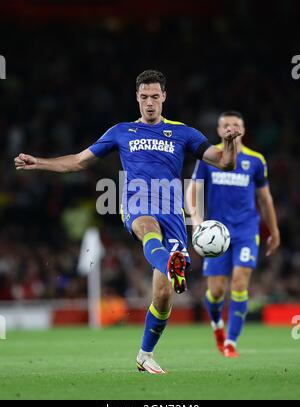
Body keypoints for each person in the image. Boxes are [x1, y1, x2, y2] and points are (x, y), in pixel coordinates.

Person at [14, 70, 240, 373]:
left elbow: (225, 161)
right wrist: (39, 162)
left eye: (155, 97)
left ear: (164, 97)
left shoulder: (184, 133)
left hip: (172, 211)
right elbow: (79, 161)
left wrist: (230, 143)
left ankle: (145, 354)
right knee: (148, 228)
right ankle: (172, 263)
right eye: (144, 97)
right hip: (136, 202)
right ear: (137, 97)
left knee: (162, 295)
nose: (149, 103)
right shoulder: (121, 131)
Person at [186, 111, 280, 358]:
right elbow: (192, 191)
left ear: (243, 130)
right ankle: (217, 324)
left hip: (246, 230)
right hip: (216, 236)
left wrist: (274, 230)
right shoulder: (209, 157)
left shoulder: (256, 160)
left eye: (235, 124)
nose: (231, 128)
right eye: (226, 124)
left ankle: (231, 342)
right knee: (216, 291)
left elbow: (265, 198)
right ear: (219, 131)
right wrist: (196, 222)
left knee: (239, 282)